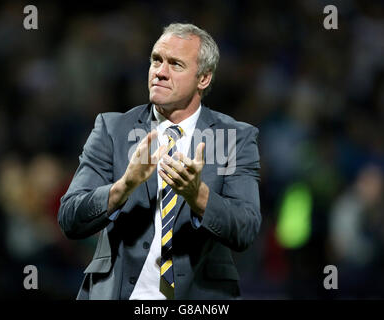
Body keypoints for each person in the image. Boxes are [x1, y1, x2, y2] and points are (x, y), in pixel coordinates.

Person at [58, 23, 261, 300]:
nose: (160, 72)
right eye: (156, 60)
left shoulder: (234, 138)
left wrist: (198, 196)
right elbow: (70, 217)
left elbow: (245, 229)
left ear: (203, 79)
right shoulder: (112, 129)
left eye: (175, 64)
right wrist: (123, 186)